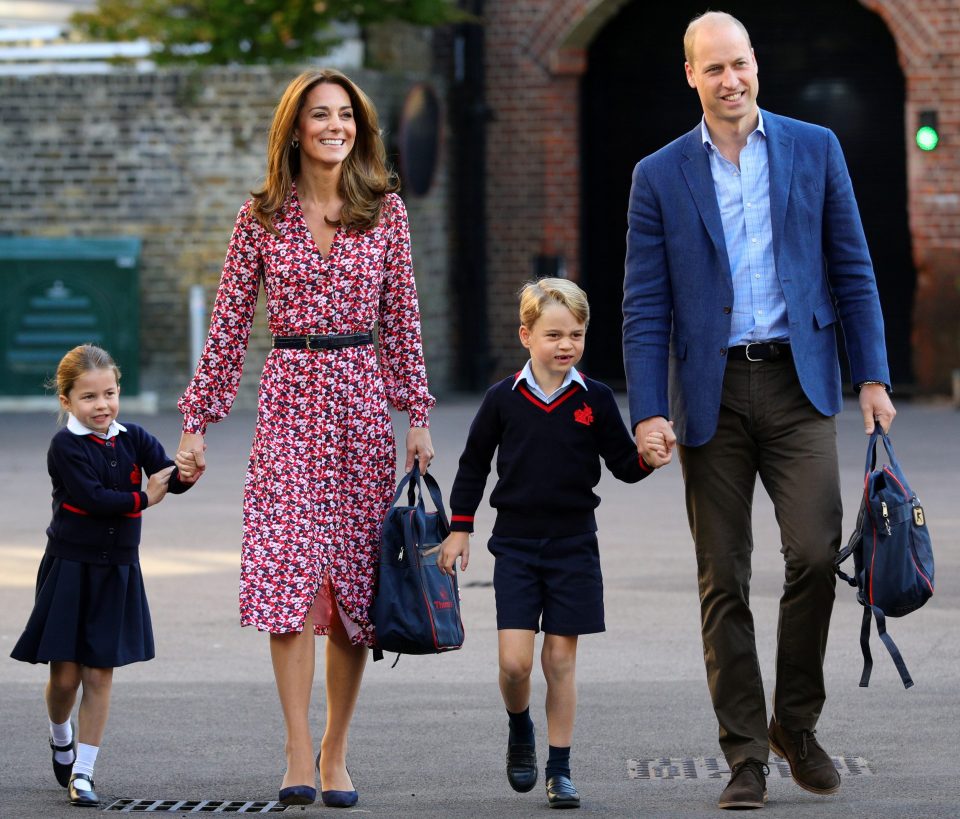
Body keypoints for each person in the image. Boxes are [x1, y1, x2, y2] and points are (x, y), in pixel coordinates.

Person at [622, 10, 897, 810]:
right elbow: (645, 307)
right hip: (708, 395)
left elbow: (854, 267)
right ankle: (744, 752)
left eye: (738, 64)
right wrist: (647, 411)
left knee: (815, 554)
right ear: (691, 77)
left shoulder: (815, 148)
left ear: (755, 64)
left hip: (799, 382)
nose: (729, 80)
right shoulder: (659, 174)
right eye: (713, 69)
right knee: (724, 578)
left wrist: (872, 375)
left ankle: (796, 724)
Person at [174, 68, 435, 808]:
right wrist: (196, 421)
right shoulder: (257, 218)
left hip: (358, 405)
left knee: (354, 586)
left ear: (360, 126)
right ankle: (295, 746)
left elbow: (403, 322)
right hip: (288, 403)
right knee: (289, 577)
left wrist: (416, 412)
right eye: (319, 115)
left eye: (345, 115)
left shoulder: (384, 212)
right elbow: (227, 331)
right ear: (294, 127)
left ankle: (336, 751)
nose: (334, 126)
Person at [439, 278, 666, 809]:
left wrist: (647, 460)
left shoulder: (596, 398)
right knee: (516, 663)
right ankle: (521, 728)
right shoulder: (502, 399)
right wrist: (460, 526)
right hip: (515, 546)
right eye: (554, 334)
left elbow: (622, 465)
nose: (566, 345)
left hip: (573, 546)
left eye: (577, 335)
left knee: (560, 661)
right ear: (526, 335)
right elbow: (474, 464)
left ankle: (559, 770)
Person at [10, 344, 193, 807]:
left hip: (118, 571)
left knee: (100, 673)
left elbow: (166, 472)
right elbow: (91, 499)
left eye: (109, 393)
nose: (102, 405)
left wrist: (187, 473)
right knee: (65, 679)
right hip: (70, 569)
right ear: (67, 401)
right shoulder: (65, 446)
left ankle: (84, 773)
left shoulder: (133, 436)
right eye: (89, 397)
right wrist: (144, 499)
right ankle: (60, 734)